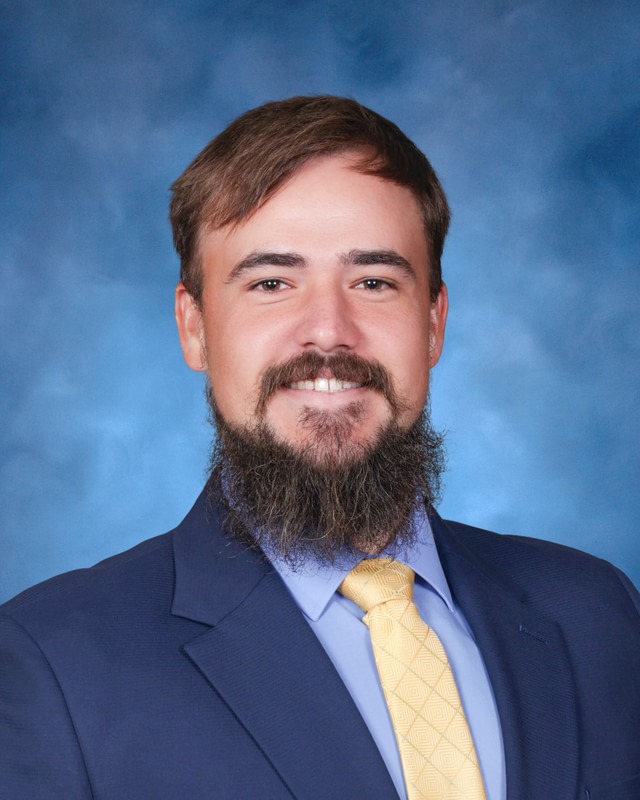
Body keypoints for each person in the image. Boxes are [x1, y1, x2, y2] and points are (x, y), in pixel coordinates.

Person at [1, 96, 639, 800]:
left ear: (434, 323)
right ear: (195, 328)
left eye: (374, 282)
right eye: (272, 283)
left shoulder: (596, 611)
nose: (330, 331)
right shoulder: (52, 661)